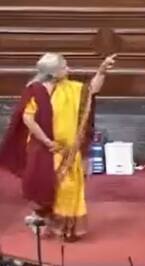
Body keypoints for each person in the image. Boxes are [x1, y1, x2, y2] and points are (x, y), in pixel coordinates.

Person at [0, 53, 116, 242]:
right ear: (53, 73)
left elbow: (92, 90)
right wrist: (47, 142)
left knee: (69, 189)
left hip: (70, 151)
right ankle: (44, 219)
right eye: (63, 67)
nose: (68, 69)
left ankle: (66, 228)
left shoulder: (71, 88)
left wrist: (102, 71)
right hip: (45, 151)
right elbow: (28, 119)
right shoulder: (36, 90)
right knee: (48, 188)